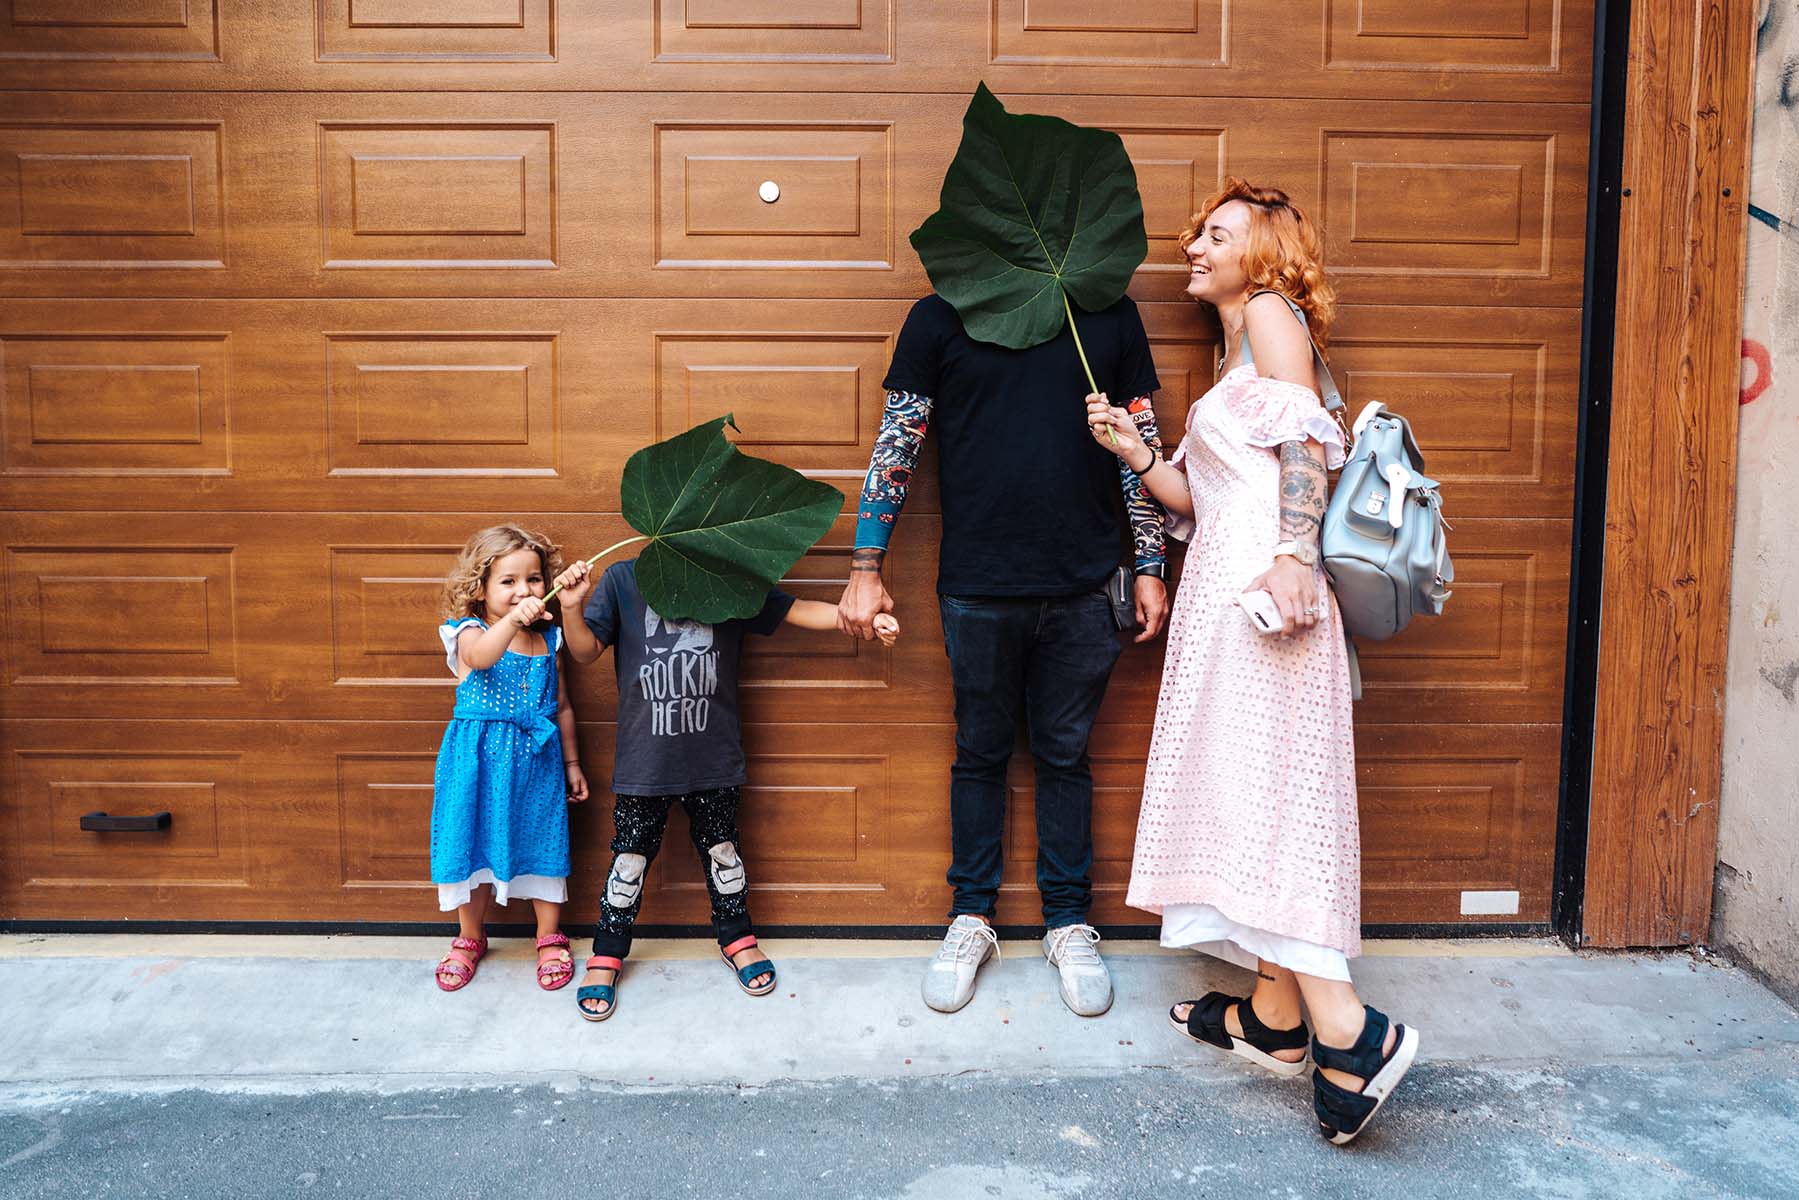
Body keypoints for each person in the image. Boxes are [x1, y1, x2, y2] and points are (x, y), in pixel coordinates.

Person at [1086, 178, 1419, 1144]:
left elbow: (1310, 445)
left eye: (1215, 235)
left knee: (1269, 800)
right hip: (1223, 596)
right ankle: (1275, 1021)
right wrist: (1132, 450)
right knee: (1248, 792)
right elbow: (1193, 499)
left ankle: (1350, 1034)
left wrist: (1291, 556)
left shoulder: (1272, 314)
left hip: (1266, 599)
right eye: (1197, 235)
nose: (1193, 248)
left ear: (1264, 254)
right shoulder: (1229, 348)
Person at [838, 290, 1169, 1018]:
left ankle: (1067, 923)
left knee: (1063, 756)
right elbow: (898, 443)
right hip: (977, 588)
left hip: (1084, 583)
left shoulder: (1106, 312)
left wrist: (1150, 563)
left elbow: (1137, 437)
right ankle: (971, 916)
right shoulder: (940, 316)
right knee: (980, 752)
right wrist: (865, 567)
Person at [554, 555, 898, 1021]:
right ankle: (608, 948)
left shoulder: (730, 577)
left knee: (723, 852)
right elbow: (584, 651)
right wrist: (572, 607)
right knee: (629, 860)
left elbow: (796, 610)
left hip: (713, 753)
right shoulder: (623, 577)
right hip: (645, 760)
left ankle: (736, 934)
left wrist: (861, 617)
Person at [430, 524, 590, 994]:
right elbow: (479, 658)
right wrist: (513, 620)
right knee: (470, 838)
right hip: (477, 760)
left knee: (543, 839)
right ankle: (469, 937)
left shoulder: (550, 640)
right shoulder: (467, 632)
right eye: (508, 581)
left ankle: (548, 936)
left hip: (537, 760)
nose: (525, 590)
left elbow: (561, 706)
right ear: (479, 588)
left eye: (535, 579)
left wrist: (573, 764)